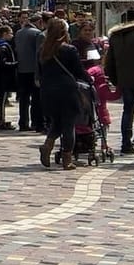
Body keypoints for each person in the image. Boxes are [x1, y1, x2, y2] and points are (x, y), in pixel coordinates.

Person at [37, 18, 93, 170]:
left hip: (48, 91)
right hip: (67, 90)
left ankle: (48, 145)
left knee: (57, 122)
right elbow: (78, 71)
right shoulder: (69, 49)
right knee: (69, 124)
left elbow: (40, 72)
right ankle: (67, 158)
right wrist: (90, 79)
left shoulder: (43, 49)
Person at [105, 9, 134, 154]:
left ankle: (126, 142)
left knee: (128, 110)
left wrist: (115, 79)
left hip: (124, 79)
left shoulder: (115, 36)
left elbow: (109, 61)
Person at [14, 14, 44, 132]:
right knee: (36, 98)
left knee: (24, 98)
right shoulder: (37, 33)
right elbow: (38, 53)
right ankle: (35, 122)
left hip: (21, 69)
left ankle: (23, 122)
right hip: (33, 69)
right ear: (39, 22)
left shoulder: (19, 32)